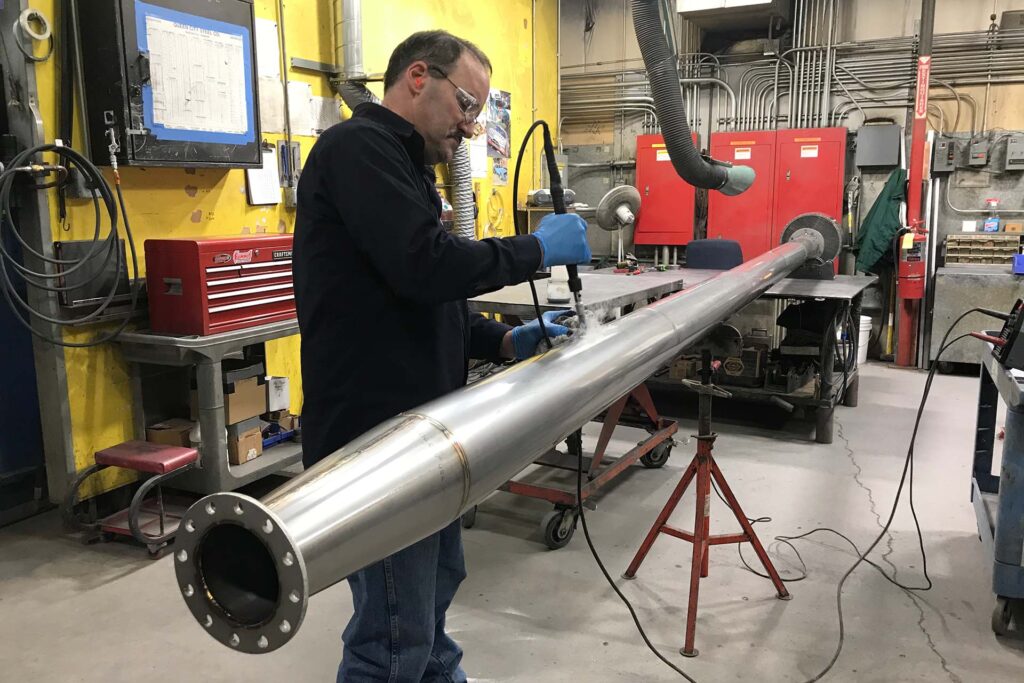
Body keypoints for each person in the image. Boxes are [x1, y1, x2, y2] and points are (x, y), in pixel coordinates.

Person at [293, 30, 591, 682]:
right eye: (464, 103)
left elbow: (428, 299)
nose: (470, 124)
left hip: (422, 438)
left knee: (432, 601)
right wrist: (536, 249)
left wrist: (503, 339)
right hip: (375, 445)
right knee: (392, 638)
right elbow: (425, 267)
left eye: (479, 110)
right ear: (417, 77)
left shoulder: (406, 168)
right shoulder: (357, 149)